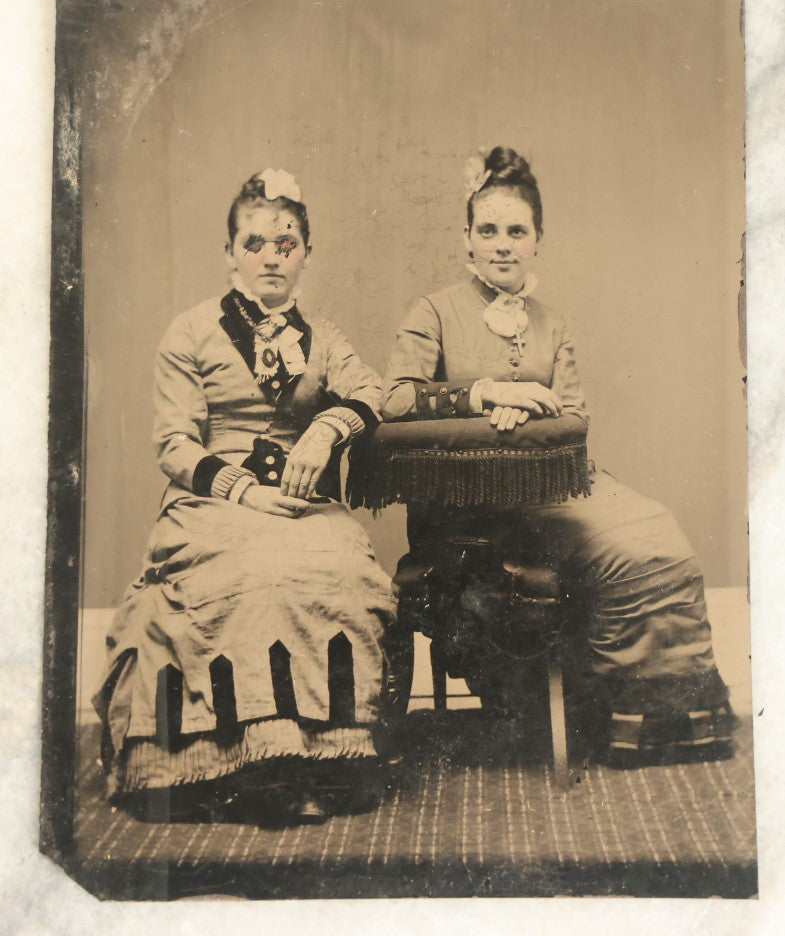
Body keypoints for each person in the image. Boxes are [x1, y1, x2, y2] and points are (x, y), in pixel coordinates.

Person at [379, 146, 734, 766]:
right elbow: (395, 399)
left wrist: (536, 416)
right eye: (487, 230)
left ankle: (644, 722)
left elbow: (574, 416)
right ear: (466, 241)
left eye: (517, 231)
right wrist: (485, 398)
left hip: (558, 490)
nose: (502, 245)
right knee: (625, 553)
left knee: (658, 538)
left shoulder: (553, 323)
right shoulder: (433, 312)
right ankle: (612, 716)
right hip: (472, 511)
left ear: (538, 240)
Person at [94, 168, 395, 824]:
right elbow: (174, 444)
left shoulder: (323, 339)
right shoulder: (190, 333)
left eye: (285, 244)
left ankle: (323, 761)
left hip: (302, 505)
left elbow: (374, 391)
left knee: (337, 568)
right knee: (252, 573)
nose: (269, 257)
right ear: (229, 252)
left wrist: (326, 428)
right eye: (253, 242)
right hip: (212, 507)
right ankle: (244, 768)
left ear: (305, 255)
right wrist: (243, 493)